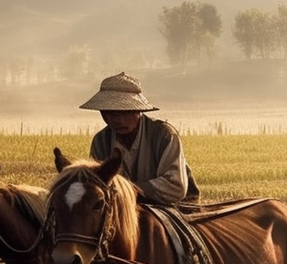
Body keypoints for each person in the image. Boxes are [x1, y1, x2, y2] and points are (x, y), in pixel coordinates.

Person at [79, 72, 200, 204]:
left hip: (172, 207)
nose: (117, 120)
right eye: (110, 113)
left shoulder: (164, 135)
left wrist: (129, 190)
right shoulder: (101, 141)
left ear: (138, 111)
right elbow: (97, 183)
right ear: (102, 113)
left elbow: (175, 186)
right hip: (122, 208)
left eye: (124, 112)